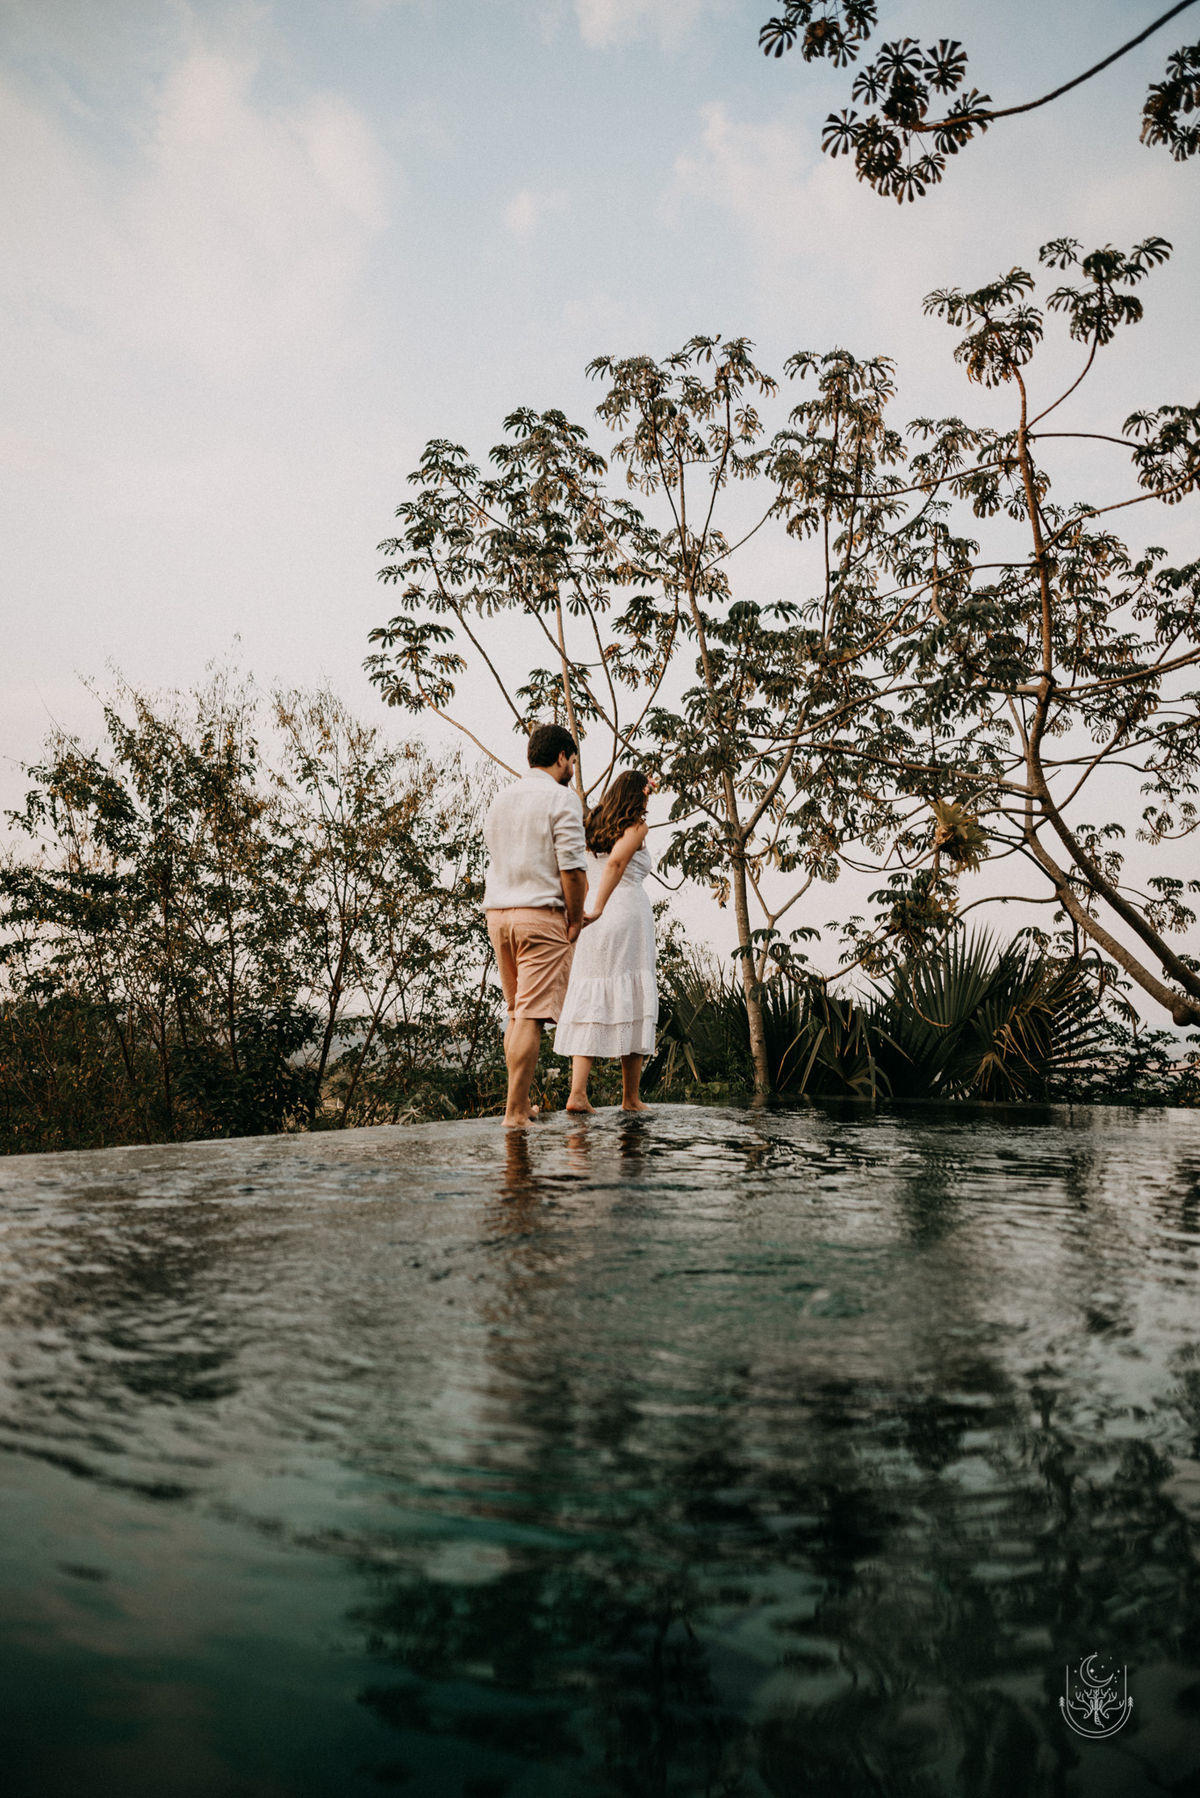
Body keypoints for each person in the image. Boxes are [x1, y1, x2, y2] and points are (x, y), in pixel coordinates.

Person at [482, 723, 589, 1128]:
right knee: (529, 1016)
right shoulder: (561, 799)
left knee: (515, 1012)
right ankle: (514, 1114)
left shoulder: (500, 798)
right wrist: (576, 919)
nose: (573, 770)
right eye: (573, 761)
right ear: (562, 756)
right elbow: (572, 870)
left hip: (499, 915)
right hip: (540, 917)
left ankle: (521, 1104)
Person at [554, 769, 658, 1113]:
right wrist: (598, 907)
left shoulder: (592, 824)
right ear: (637, 796)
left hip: (591, 920)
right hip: (622, 913)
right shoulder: (636, 827)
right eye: (645, 795)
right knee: (634, 995)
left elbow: (581, 869)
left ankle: (578, 1093)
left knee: (590, 994)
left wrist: (581, 910)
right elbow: (615, 862)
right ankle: (630, 1098)